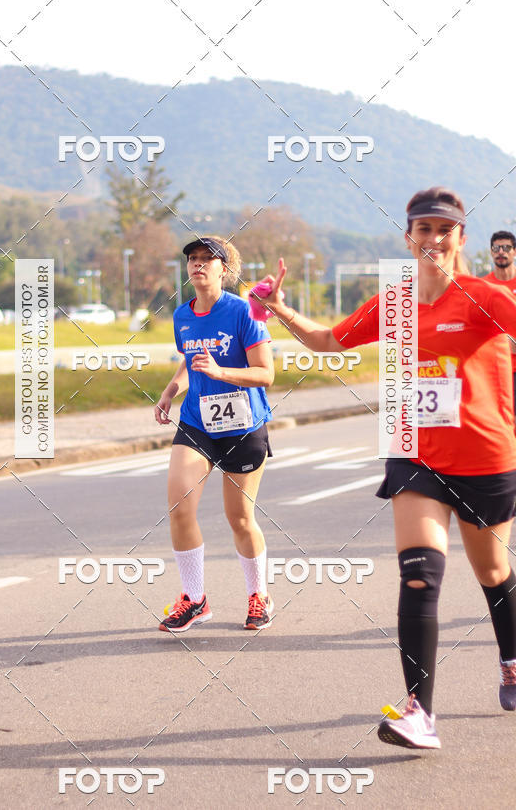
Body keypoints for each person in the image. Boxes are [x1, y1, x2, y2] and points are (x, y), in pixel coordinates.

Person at [259, 187, 516, 750]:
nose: (432, 239)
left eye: (443, 230)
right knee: (420, 576)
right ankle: (420, 711)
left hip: (486, 457)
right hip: (418, 457)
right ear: (408, 238)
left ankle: (512, 657)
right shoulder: (395, 303)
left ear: (460, 238)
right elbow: (330, 340)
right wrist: (279, 309)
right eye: (422, 229)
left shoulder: (486, 297)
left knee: (493, 573)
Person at [155, 236, 275, 632]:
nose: (198, 264)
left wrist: (222, 373)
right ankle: (195, 598)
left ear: (225, 268)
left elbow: (266, 374)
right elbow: (190, 360)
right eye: (193, 259)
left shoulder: (244, 313)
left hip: (242, 424)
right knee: (180, 505)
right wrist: (172, 390)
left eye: (208, 259)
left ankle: (259, 595)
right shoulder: (181, 316)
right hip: (197, 423)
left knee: (239, 518)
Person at [483, 231, 516, 415]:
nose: (501, 252)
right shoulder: (483, 287)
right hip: (493, 371)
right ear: (491, 252)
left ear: (514, 251)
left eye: (506, 248)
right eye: (496, 248)